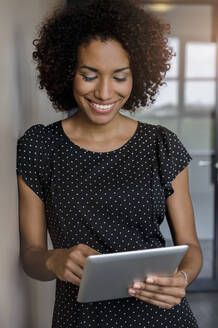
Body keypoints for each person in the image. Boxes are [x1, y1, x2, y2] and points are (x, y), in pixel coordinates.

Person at [16, 0, 203, 327]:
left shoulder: (161, 145)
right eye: (89, 76)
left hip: (162, 317)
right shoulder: (39, 147)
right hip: (81, 318)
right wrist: (53, 259)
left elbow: (191, 248)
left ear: (139, 76)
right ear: (65, 71)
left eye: (120, 77)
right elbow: (30, 256)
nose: (104, 92)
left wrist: (182, 278)